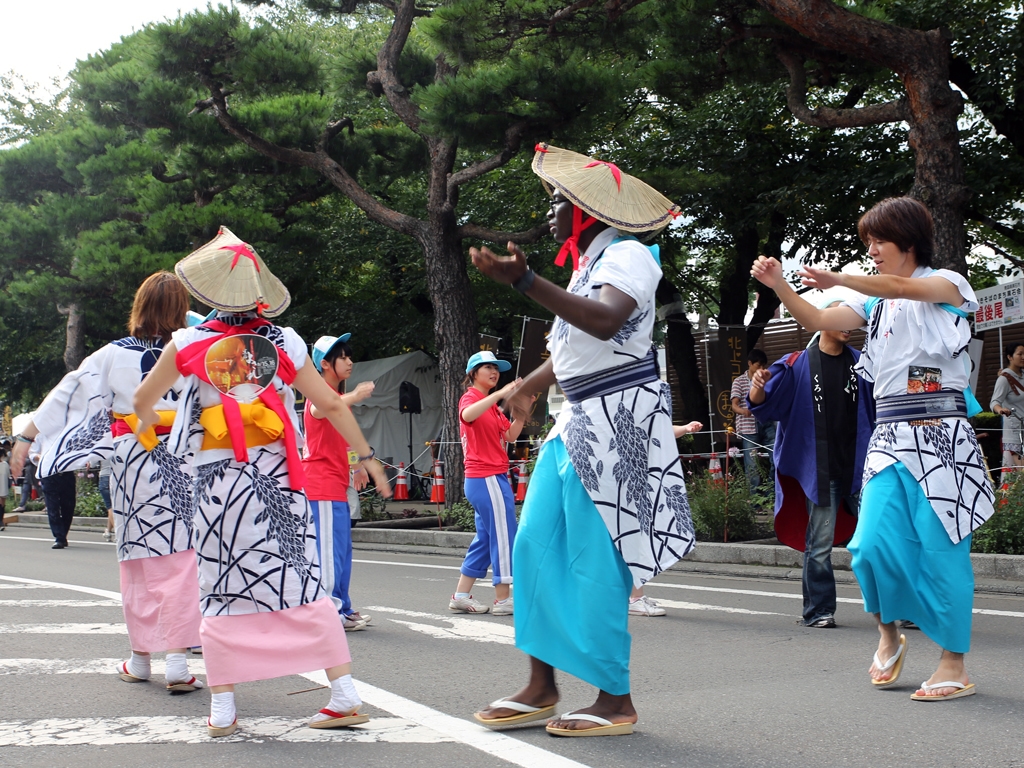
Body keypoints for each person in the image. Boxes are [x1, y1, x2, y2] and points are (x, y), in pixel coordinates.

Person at [469, 144, 694, 736]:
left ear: (589, 210)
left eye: (558, 200)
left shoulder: (630, 256)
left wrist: (526, 281)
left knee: (598, 560)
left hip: (618, 422)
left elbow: (606, 321)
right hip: (577, 423)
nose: (550, 211)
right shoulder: (586, 267)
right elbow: (572, 353)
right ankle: (541, 685)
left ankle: (615, 698)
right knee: (532, 548)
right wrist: (526, 386)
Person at [134, 226, 391, 737]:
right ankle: (343, 694)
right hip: (280, 477)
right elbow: (331, 403)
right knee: (298, 578)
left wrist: (157, 436)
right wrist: (369, 458)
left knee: (221, 582)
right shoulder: (286, 341)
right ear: (258, 293)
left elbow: (144, 403)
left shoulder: (188, 343)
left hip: (217, 481)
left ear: (209, 292)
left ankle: (225, 708)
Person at [751, 196, 995, 701]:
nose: (873, 250)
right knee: (867, 546)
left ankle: (953, 665)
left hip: (942, 436)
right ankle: (889, 634)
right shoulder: (872, 304)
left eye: (878, 240)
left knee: (942, 550)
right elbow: (818, 320)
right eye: (867, 242)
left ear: (907, 240)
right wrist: (779, 287)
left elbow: (904, 286)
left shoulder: (948, 284)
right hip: (888, 439)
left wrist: (841, 276)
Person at [11, 272, 205, 689]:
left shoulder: (113, 355)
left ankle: (140, 659)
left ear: (138, 307)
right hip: (184, 459)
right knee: (182, 560)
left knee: (137, 561)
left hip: (134, 461)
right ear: (180, 309)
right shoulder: (197, 351)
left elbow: (67, 393)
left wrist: (26, 438)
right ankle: (177, 661)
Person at [747, 303, 875, 628]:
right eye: (842, 319)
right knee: (819, 544)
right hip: (822, 469)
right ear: (822, 320)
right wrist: (757, 388)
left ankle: (897, 608)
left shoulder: (863, 364)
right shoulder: (796, 364)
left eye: (852, 321)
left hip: (862, 467)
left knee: (881, 538)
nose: (849, 326)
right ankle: (819, 610)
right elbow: (765, 406)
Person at [303, 332, 376, 631]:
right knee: (329, 552)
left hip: (336, 484)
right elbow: (319, 410)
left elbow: (344, 439)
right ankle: (330, 611)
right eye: (342, 357)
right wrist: (355, 395)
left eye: (349, 356)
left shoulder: (336, 398)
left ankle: (343, 607)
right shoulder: (319, 392)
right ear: (325, 363)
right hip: (320, 484)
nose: (349, 361)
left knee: (342, 548)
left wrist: (357, 466)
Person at [448, 351, 524, 615]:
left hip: (490, 477)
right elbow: (467, 415)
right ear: (473, 374)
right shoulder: (471, 397)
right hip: (486, 477)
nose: (494, 371)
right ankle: (503, 599)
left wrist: (522, 414)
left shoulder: (491, 405)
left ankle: (460, 594)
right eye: (487, 367)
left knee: (486, 537)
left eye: (496, 368)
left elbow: (511, 435)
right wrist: (500, 394)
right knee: (504, 535)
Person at [627, 420, 702, 617]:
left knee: (633, 541)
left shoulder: (634, 410)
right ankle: (633, 598)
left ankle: (633, 597)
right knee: (631, 541)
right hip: (623, 488)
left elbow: (661, 430)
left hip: (634, 486)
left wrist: (685, 429)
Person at [731, 350, 775, 498]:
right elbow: (734, 405)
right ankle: (755, 503)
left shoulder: (768, 379)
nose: (761, 369)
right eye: (758, 365)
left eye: (764, 366)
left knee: (778, 459)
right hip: (748, 427)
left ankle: (770, 495)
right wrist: (744, 411)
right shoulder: (739, 381)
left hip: (767, 423)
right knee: (752, 467)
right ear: (749, 364)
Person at [990, 343, 1024, 470]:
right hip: (1015, 432)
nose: (1023, 357)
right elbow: (994, 402)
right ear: (1010, 357)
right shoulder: (1004, 379)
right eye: (1020, 354)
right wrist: (1001, 410)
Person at [0, 449, 9, 530]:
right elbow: (8, 475)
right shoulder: (5, 464)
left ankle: (1, 521)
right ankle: (1, 522)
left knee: (2, 504)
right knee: (2, 503)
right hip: (3, 486)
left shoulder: (5, 464)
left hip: (3, 486)